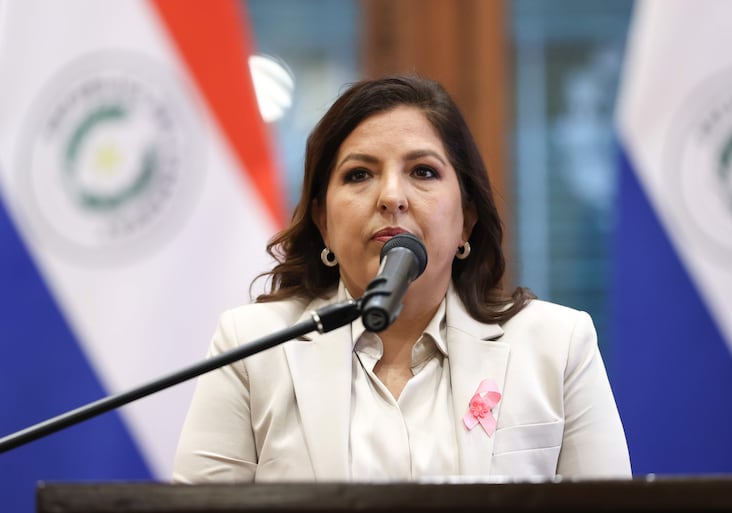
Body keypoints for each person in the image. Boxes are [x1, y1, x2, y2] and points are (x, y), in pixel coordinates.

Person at [173, 75, 631, 482]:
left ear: (467, 219)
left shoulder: (557, 346)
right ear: (323, 221)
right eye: (359, 174)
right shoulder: (252, 348)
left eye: (422, 171)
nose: (392, 196)